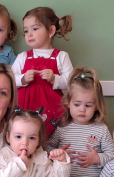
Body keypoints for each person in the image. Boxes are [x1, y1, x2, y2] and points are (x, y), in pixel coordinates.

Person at [46, 66, 114, 177]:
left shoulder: (101, 129)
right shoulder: (62, 127)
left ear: (96, 106)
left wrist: (97, 158)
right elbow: (47, 150)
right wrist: (57, 154)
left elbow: (113, 154)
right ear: (68, 103)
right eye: (77, 104)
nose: (82, 109)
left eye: (88, 105)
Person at [12, 7, 74, 136]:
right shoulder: (23, 56)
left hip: (52, 109)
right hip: (24, 107)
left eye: (34, 29)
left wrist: (55, 79)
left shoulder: (61, 56)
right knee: (25, 134)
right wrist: (23, 79)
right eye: (26, 31)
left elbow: (71, 83)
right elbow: (10, 80)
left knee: (53, 137)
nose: (29, 34)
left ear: (51, 30)